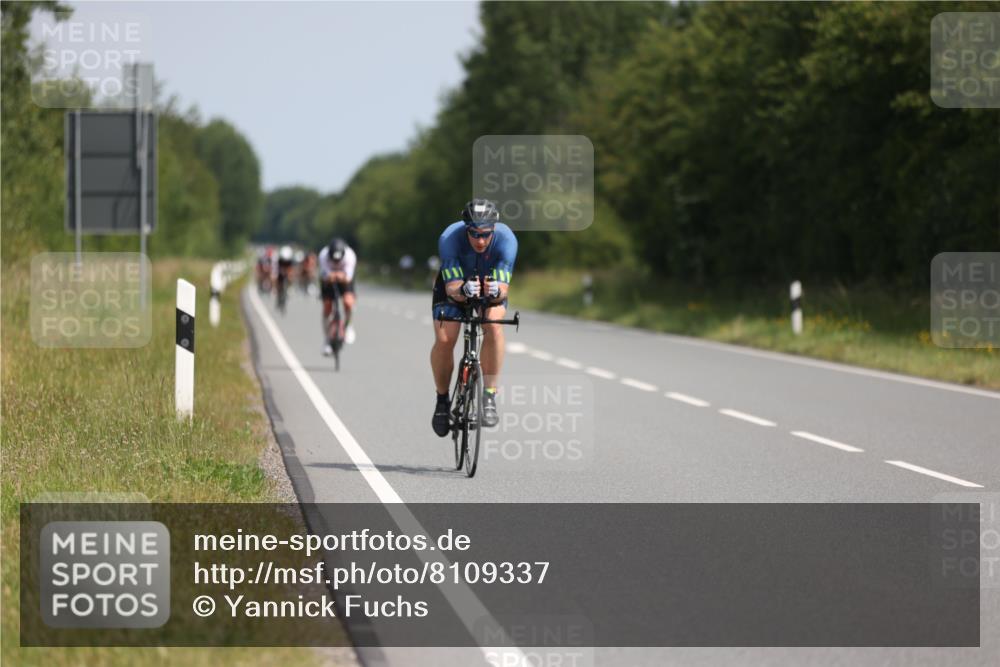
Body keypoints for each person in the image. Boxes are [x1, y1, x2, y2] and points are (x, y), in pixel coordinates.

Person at [430, 199, 517, 436]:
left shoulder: (507, 240)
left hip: (489, 285)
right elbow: (452, 288)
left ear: (494, 230)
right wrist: (463, 292)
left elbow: (503, 289)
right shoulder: (450, 238)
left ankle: (489, 397)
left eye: (486, 235)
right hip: (456, 286)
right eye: (474, 234)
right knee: (446, 339)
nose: (480, 241)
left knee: (494, 325)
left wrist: (496, 291)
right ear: (466, 228)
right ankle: (442, 400)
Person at [318, 237, 357, 354]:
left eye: (338, 261)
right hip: (328, 281)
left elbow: (348, 277)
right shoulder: (323, 255)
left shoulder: (350, 256)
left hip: (344, 281)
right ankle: (327, 339)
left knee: (348, 302)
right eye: (333, 260)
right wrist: (332, 275)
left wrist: (340, 276)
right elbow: (325, 274)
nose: (336, 262)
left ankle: (348, 326)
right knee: (327, 307)